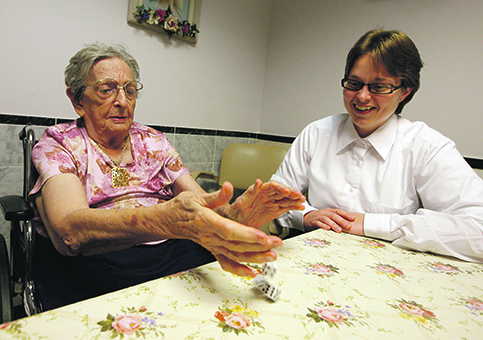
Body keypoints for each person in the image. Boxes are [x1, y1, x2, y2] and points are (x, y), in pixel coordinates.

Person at [29, 42, 305, 310]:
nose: (123, 102)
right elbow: (71, 230)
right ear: (78, 100)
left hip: (167, 251)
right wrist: (166, 220)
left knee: (231, 301)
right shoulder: (59, 144)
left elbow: (197, 198)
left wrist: (232, 215)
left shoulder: (154, 141)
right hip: (96, 261)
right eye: (106, 90)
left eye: (130, 90)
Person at [271, 29, 483, 262]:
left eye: (379, 87)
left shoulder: (427, 148)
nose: (362, 97)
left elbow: (478, 231)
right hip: (311, 263)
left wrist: (372, 224)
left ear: (404, 92)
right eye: (354, 83)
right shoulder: (316, 133)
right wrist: (306, 216)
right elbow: (273, 199)